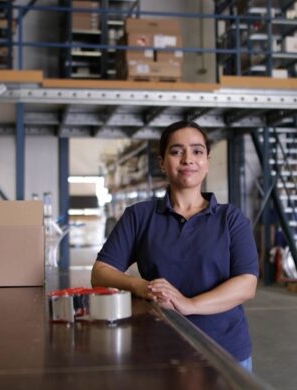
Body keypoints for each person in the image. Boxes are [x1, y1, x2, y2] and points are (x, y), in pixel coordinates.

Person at [91, 120, 259, 372]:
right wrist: (141, 286)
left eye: (197, 151)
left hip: (225, 350)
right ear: (162, 162)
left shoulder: (230, 219)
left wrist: (188, 305)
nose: (188, 159)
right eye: (176, 151)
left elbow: (246, 284)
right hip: (160, 349)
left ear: (207, 160)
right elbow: (101, 272)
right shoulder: (139, 216)